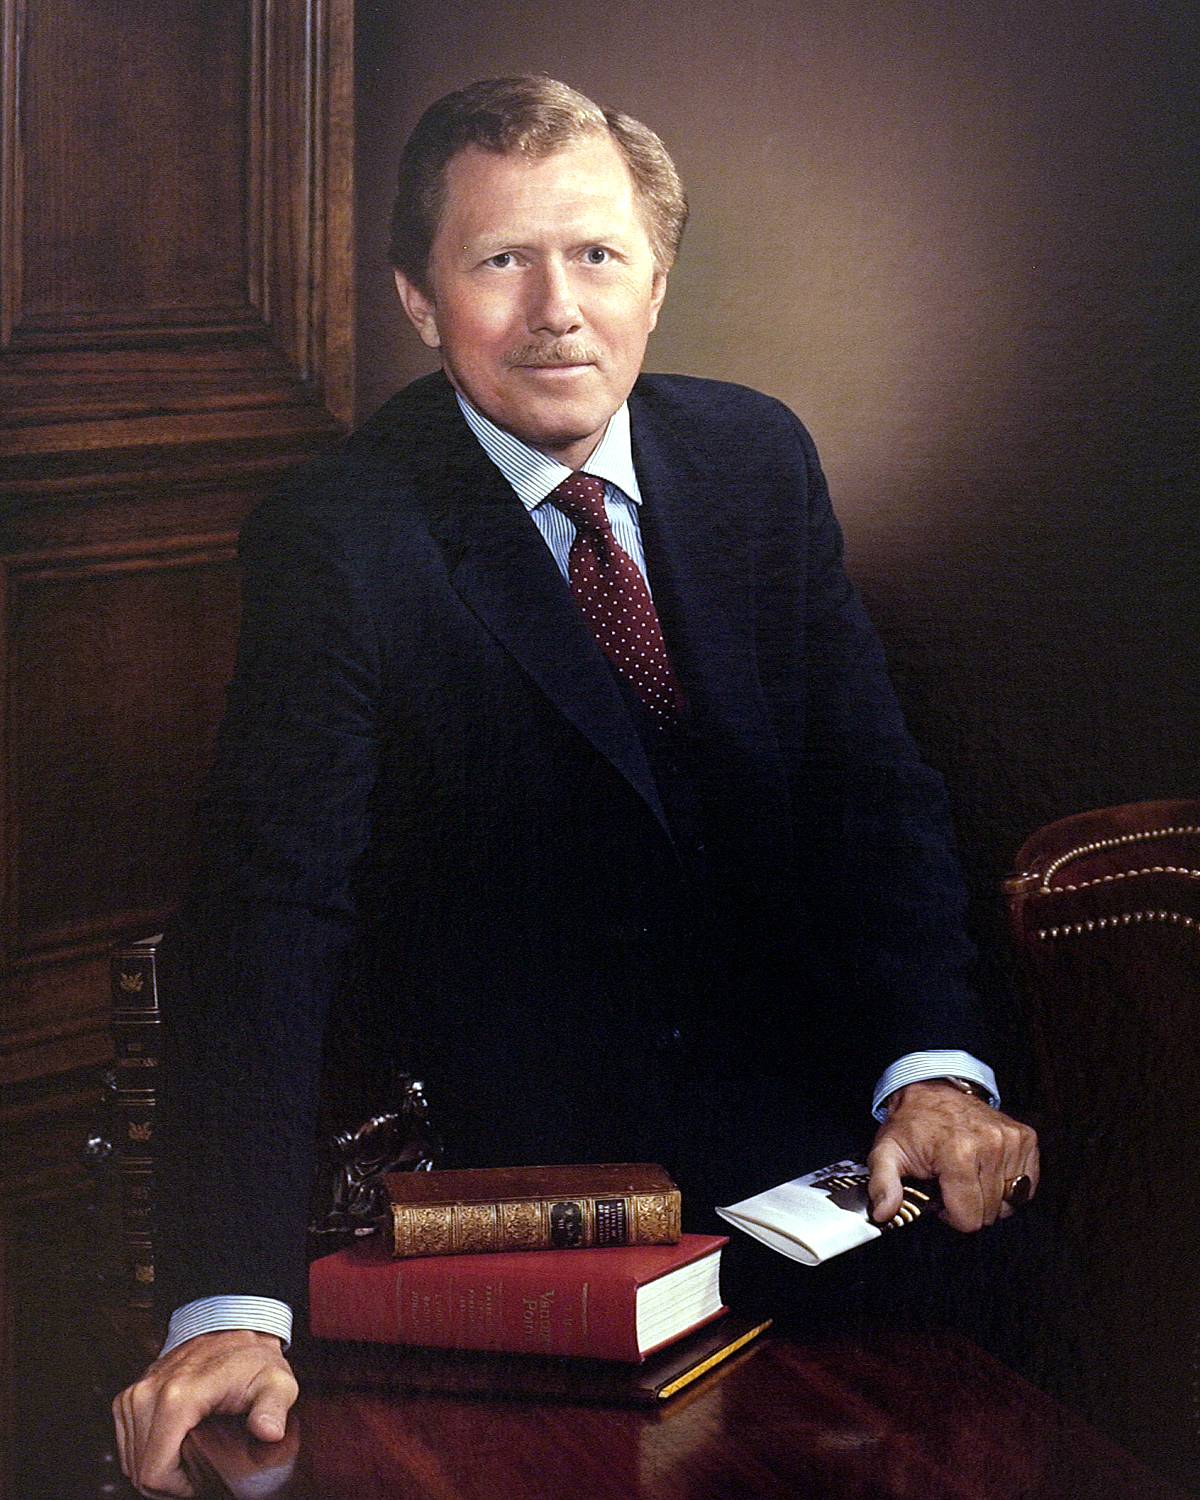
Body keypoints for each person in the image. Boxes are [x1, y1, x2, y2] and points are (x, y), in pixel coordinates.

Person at [112, 75, 1039, 1497]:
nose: (558, 307)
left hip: (824, 1174)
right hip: (531, 1223)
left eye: (597, 254)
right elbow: (263, 924)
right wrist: (229, 1306)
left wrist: (932, 1070)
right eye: (501, 261)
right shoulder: (338, 538)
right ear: (419, 302)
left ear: (656, 279)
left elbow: (877, 802)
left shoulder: (753, 460)